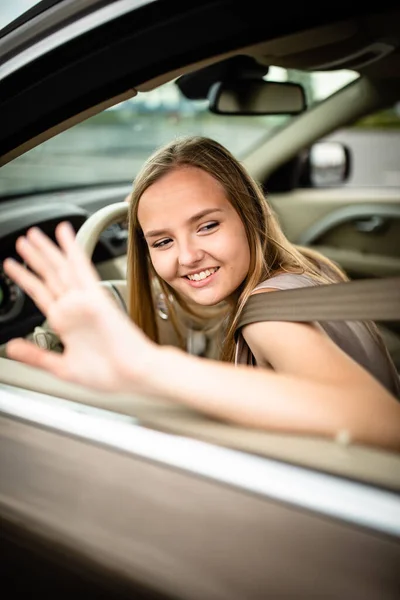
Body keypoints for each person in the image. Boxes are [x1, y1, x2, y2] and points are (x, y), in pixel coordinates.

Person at [3, 136, 400, 451]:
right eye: (162, 242)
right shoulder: (310, 269)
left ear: (250, 215)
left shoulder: (269, 316)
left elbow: (381, 420)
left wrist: (144, 365)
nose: (188, 256)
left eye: (207, 226)